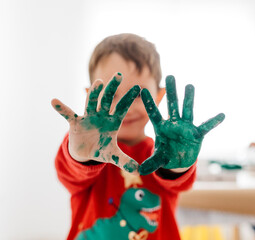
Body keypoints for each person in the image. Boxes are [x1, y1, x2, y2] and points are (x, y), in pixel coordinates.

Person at [51, 33, 225, 240]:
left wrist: (178, 161)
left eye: (138, 94)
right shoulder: (88, 151)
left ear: (159, 97)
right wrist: (80, 153)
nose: (126, 109)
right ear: (92, 96)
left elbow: (178, 182)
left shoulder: (162, 153)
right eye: (111, 93)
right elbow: (69, 173)